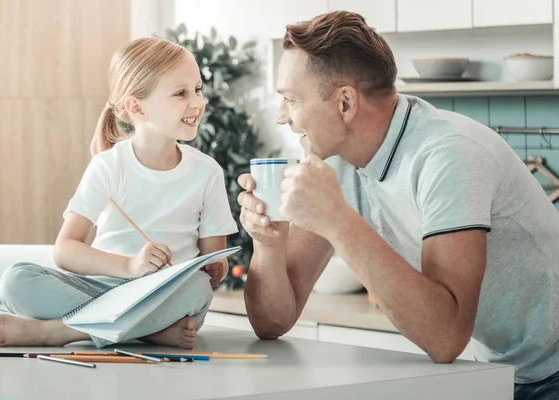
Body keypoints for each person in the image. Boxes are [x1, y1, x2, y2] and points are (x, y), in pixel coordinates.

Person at [237, 11, 559, 399]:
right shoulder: (334, 161)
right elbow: (273, 322)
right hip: (499, 370)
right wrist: (268, 244)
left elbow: (445, 338)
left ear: (344, 103)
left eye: (291, 100)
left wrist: (338, 221)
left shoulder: (448, 155)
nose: (281, 116)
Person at [0, 38, 238, 349]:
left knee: (197, 288)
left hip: (165, 294)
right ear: (136, 107)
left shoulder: (206, 171)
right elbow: (65, 249)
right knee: (16, 280)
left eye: (197, 89)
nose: (197, 102)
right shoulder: (108, 166)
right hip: (102, 288)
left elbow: (212, 264)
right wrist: (130, 267)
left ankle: (59, 331)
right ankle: (147, 332)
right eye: (181, 93)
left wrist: (215, 270)